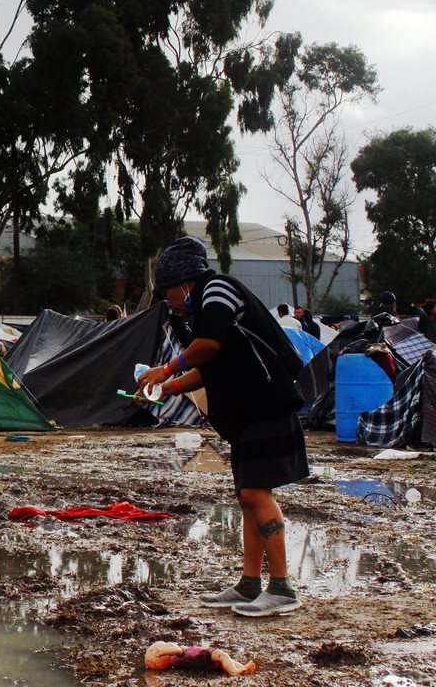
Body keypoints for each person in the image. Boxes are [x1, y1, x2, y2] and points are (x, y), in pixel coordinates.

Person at [136, 237, 308, 618]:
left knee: (256, 494)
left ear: (184, 282)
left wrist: (167, 368)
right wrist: (165, 388)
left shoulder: (218, 289)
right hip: (246, 413)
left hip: (268, 404)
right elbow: (207, 366)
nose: (169, 301)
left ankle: (282, 587)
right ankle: (249, 584)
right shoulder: (204, 314)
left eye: (168, 292)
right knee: (248, 497)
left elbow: (208, 346)